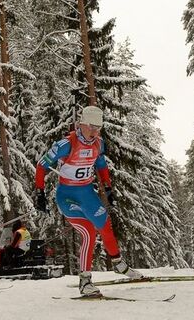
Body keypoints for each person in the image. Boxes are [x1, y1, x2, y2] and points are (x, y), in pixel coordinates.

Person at [34, 105, 143, 296]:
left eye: (98, 127)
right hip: (67, 196)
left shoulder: (98, 143)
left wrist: (108, 187)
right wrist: (40, 193)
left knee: (105, 225)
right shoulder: (65, 144)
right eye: (91, 126)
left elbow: (100, 164)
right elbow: (41, 165)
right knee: (89, 232)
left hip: (87, 193)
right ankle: (85, 281)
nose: (94, 131)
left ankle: (118, 264)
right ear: (81, 124)